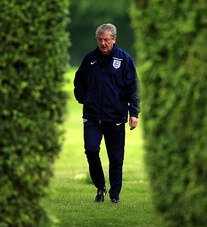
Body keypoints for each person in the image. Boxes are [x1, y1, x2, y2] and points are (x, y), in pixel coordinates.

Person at [74, 23, 140, 204]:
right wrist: (85, 99)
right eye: (100, 40)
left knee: (116, 158)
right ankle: (100, 187)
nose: (102, 43)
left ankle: (115, 195)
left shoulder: (124, 59)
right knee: (91, 150)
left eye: (106, 40)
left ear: (114, 39)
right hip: (93, 117)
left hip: (116, 117)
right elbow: (78, 82)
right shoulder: (89, 60)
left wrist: (133, 113)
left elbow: (133, 88)